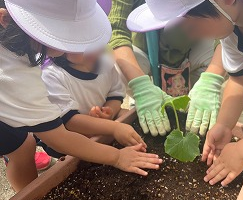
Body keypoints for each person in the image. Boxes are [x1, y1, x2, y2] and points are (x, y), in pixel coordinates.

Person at [127, 0, 243, 200]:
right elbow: (240, 78)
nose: (190, 35)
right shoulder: (231, 24)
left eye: (191, 25)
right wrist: (224, 125)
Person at [0, 0, 162, 192]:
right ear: (5, 18)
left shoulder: (19, 51)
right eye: (60, 33)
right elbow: (58, 137)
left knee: (24, 144)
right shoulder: (16, 77)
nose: (73, 44)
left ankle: (29, 191)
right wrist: (116, 156)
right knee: (22, 144)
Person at [108, 0, 226, 137]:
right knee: (115, 67)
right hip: (145, 49)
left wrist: (210, 81)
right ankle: (146, 99)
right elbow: (117, 31)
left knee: (228, 60)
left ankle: (193, 100)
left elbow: (227, 34)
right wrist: (140, 85)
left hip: (191, 47)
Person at [41, 51, 130, 158]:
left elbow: (115, 94)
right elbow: (70, 120)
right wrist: (115, 128)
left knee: (127, 115)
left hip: (102, 123)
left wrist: (109, 111)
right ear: (58, 48)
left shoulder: (105, 62)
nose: (93, 48)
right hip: (71, 133)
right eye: (81, 45)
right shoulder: (52, 74)